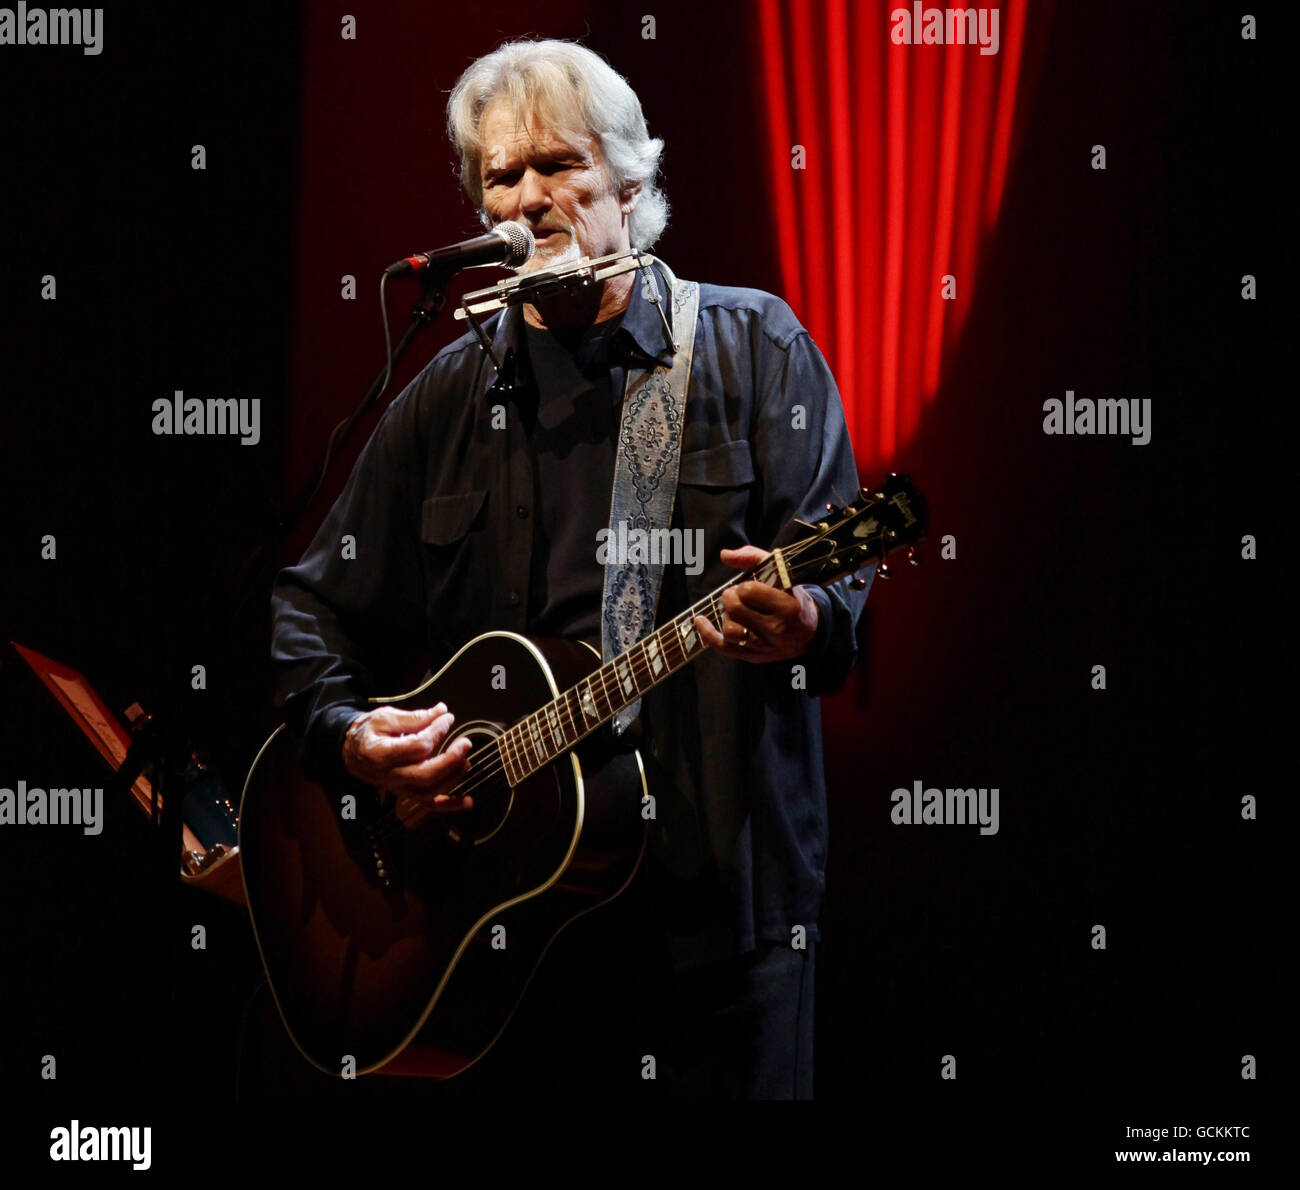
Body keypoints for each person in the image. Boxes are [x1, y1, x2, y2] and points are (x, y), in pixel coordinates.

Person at [270, 37, 872, 1100]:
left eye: (557, 165)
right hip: (504, 922)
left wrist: (811, 618)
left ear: (631, 182)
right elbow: (309, 604)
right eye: (501, 176)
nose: (527, 199)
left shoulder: (752, 349)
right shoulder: (452, 389)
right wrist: (353, 734)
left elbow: (841, 593)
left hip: (717, 928)